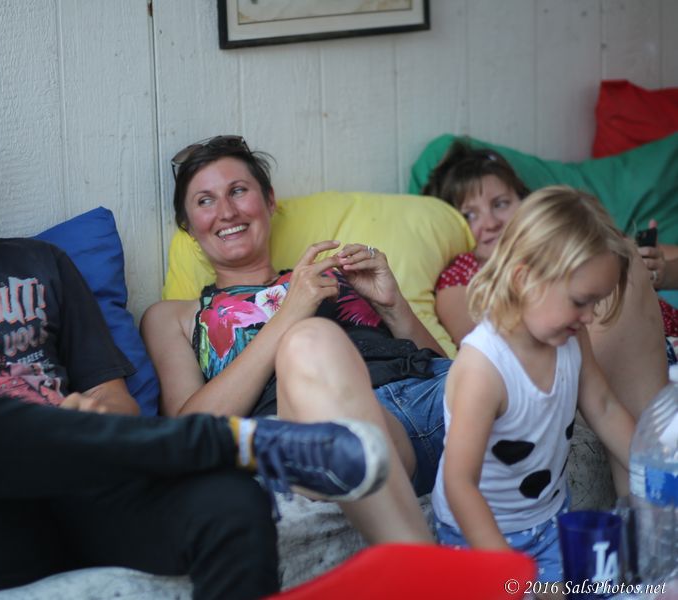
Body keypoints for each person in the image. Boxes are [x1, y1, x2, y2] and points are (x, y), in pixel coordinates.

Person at [0, 61, 392, 600]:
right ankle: (224, 441)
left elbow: (117, 402)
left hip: (88, 492)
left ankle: (228, 450)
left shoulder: (40, 263)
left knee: (235, 504)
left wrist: (90, 413)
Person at [142, 135, 451, 545]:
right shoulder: (175, 317)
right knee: (310, 340)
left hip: (432, 395)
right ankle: (419, 560)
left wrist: (394, 305)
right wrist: (290, 313)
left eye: (238, 191)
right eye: (205, 201)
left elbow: (439, 363)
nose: (227, 211)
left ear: (270, 201)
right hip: (345, 425)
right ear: (188, 225)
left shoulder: (330, 277)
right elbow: (190, 434)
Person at [431, 186, 636, 588]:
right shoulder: (485, 368)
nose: (589, 316)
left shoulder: (571, 338)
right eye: (580, 300)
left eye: (596, 302)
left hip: (550, 522)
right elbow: (459, 483)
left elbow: (604, 407)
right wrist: (508, 570)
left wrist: (658, 465)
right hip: (478, 537)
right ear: (524, 278)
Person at [423, 140, 674, 420]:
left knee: (624, 252)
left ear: (525, 202)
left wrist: (662, 272)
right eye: (470, 215)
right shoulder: (462, 274)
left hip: (664, 346)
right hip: (616, 375)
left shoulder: (572, 243)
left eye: (500, 204)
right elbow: (493, 351)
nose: (491, 223)